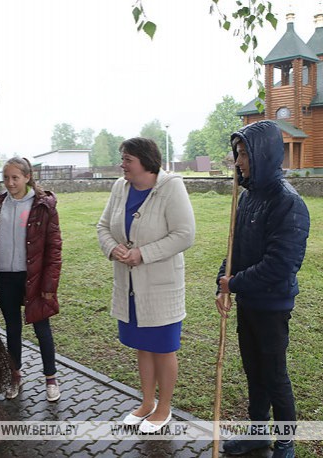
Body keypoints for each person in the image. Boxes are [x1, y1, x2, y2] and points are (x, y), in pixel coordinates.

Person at [215, 121, 310, 458]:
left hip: (273, 304)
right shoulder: (248, 198)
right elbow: (235, 250)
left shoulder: (288, 203)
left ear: (264, 154)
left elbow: (281, 264)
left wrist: (234, 283)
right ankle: (258, 433)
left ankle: (285, 441)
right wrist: (222, 283)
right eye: (237, 154)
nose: (238, 162)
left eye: (243, 155)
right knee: (253, 370)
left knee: (274, 374)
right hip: (248, 302)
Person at [97, 137, 195, 434]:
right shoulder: (120, 187)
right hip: (128, 285)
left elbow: (185, 234)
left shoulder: (172, 187)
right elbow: (103, 227)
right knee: (143, 346)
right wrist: (114, 249)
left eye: (127, 159)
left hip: (161, 287)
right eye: (122, 158)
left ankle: (164, 409)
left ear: (146, 162)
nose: (121, 164)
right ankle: (147, 402)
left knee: (163, 348)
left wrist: (143, 254)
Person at [0, 157, 62, 402]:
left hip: (33, 277)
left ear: (27, 177)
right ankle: (16, 376)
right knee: (12, 329)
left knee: (41, 328)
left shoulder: (42, 206)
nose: (10, 182)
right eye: (6, 177)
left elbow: (53, 248)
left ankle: (51, 378)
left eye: (15, 177)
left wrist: (49, 286)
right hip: (4, 277)